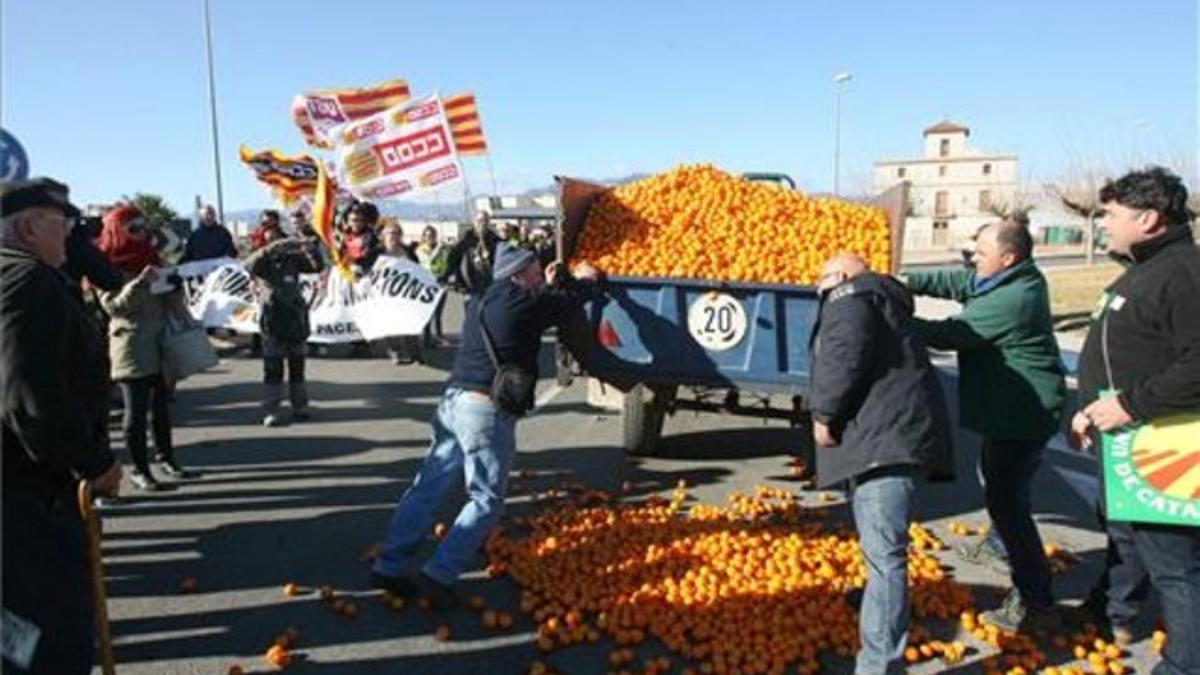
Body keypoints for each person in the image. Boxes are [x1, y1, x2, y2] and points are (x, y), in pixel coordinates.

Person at [371, 243, 600, 605]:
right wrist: (586, 280)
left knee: (429, 485)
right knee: (486, 498)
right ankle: (439, 574)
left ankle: (389, 564)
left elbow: (544, 299)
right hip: (483, 410)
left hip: (452, 402)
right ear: (518, 275)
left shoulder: (482, 300)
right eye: (535, 272)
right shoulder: (525, 303)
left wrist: (551, 283)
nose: (540, 277)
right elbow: (568, 302)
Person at [905, 218, 1066, 631]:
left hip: (1023, 413)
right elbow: (956, 281)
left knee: (1007, 503)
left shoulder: (1015, 298)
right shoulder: (1003, 278)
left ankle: (1035, 601)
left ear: (1008, 257)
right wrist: (902, 282)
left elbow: (950, 333)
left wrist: (888, 313)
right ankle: (1002, 544)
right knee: (999, 482)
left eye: (981, 253)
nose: (973, 259)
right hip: (1009, 410)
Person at [1069, 167, 1199, 674]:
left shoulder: (1183, 274)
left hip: (1165, 446)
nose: (1103, 224)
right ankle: (1117, 614)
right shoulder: (1145, 268)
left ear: (1148, 218)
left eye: (1112, 215)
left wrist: (1130, 404)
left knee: (1176, 566)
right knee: (1132, 539)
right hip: (1129, 440)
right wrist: (1091, 409)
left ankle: (1182, 664)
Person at [808, 253, 953, 675]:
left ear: (840, 276)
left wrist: (824, 415)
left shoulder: (849, 299)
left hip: (884, 444)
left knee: (885, 555)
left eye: (822, 278)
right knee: (881, 550)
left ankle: (879, 664)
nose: (819, 287)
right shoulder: (880, 299)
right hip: (891, 436)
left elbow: (844, 356)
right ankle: (877, 618)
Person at [2, 178, 123, 675]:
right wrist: (94, 463)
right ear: (30, 227)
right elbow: (30, 397)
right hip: (29, 487)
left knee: (16, 633)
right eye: (64, 224)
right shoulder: (27, 282)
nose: (71, 235)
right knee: (50, 628)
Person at [96, 205, 191, 489]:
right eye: (133, 228)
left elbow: (169, 300)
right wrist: (140, 282)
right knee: (135, 412)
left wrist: (174, 285)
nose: (141, 233)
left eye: (142, 227)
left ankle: (168, 460)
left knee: (161, 408)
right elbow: (113, 306)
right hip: (130, 344)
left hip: (160, 342)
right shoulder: (105, 262)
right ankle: (140, 469)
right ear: (116, 228)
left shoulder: (152, 256)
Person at [244, 216, 326, 426]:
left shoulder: (292, 259)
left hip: (295, 317)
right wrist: (271, 249)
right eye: (270, 240)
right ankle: (271, 410)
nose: (276, 244)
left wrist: (309, 248)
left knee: (297, 367)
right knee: (273, 369)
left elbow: (317, 266)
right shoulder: (262, 261)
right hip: (272, 318)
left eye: (278, 238)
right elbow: (248, 265)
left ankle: (300, 406)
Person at [378, 222, 422, 365]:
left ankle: (415, 353)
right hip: (385, 295)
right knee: (391, 326)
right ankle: (395, 352)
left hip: (406, 294)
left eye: (396, 233)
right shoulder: (377, 252)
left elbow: (418, 269)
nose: (393, 236)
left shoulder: (407, 252)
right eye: (390, 233)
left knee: (411, 325)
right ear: (383, 236)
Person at [441, 211, 501, 311]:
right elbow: (451, 262)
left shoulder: (496, 242)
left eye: (485, 221)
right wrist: (443, 277)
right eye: (479, 221)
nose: (482, 224)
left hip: (490, 288)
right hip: (470, 288)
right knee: (471, 318)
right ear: (474, 222)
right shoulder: (464, 243)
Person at [414, 224, 450, 347]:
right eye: (428, 235)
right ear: (424, 237)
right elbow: (428, 262)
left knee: (438, 313)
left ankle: (439, 336)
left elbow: (446, 263)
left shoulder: (443, 249)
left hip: (440, 284)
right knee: (427, 312)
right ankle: (426, 337)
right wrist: (438, 249)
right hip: (426, 285)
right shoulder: (420, 249)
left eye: (433, 235)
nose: (431, 238)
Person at [341, 201, 383, 276]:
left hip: (362, 272)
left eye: (361, 220)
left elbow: (368, 255)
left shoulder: (370, 237)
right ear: (348, 221)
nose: (357, 224)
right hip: (343, 270)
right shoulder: (343, 235)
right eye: (354, 220)